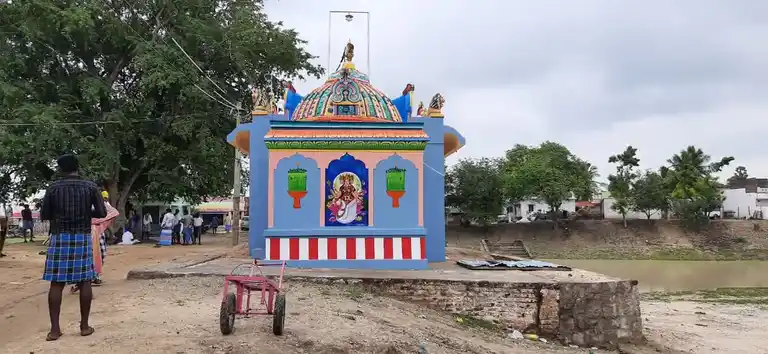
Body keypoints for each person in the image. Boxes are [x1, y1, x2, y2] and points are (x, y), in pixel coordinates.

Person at [40, 154, 107, 341]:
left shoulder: (53, 188)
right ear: (78, 167)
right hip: (82, 236)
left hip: (60, 236)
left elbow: (45, 214)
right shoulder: (91, 187)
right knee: (85, 280)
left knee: (56, 282)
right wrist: (86, 211)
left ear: (61, 169)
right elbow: (101, 213)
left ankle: (54, 330)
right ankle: (84, 327)